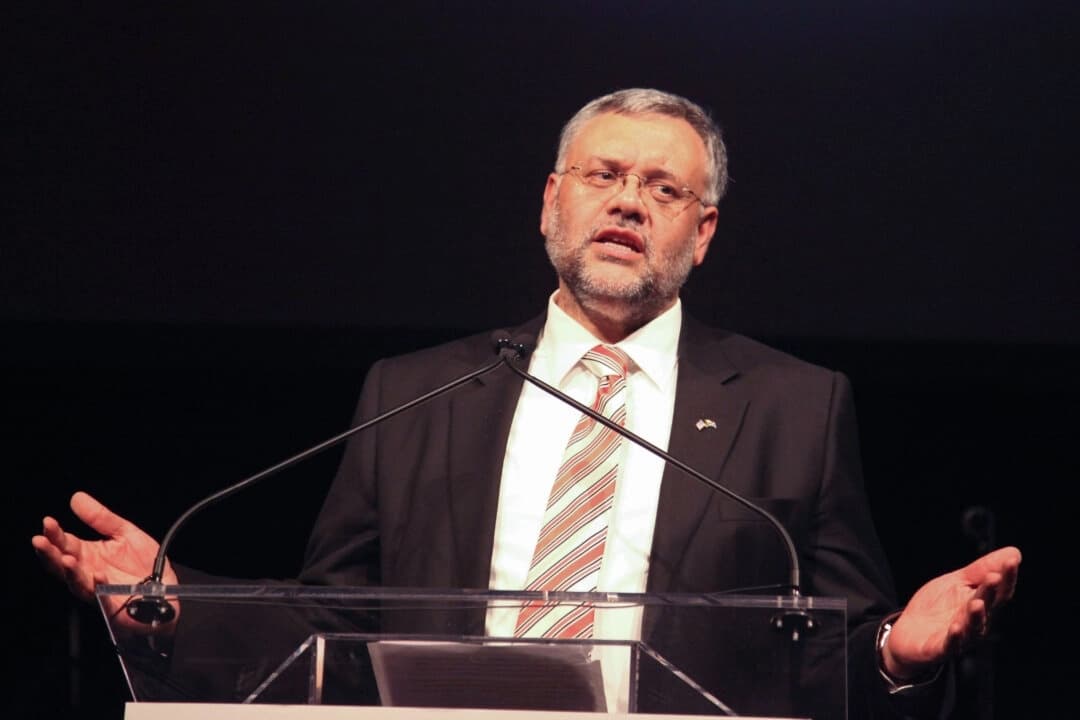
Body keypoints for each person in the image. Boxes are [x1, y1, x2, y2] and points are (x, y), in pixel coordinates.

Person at [33, 88, 1021, 718]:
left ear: (704, 230)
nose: (627, 201)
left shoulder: (795, 406)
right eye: (604, 175)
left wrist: (899, 647)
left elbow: (826, 647)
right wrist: (177, 607)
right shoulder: (416, 392)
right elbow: (329, 622)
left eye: (662, 189)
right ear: (553, 201)